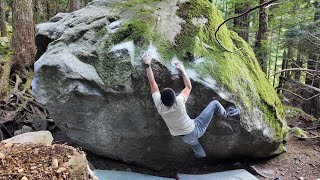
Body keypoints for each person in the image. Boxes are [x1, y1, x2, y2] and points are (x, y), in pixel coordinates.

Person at [143, 53, 240, 158]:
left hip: (184, 137)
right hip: (195, 129)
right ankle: (228, 116)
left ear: (161, 99)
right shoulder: (179, 102)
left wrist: (147, 64)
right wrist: (182, 69)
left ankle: (201, 155)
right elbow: (188, 87)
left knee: (194, 143)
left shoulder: (159, 105)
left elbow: (152, 83)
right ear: (175, 98)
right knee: (215, 104)